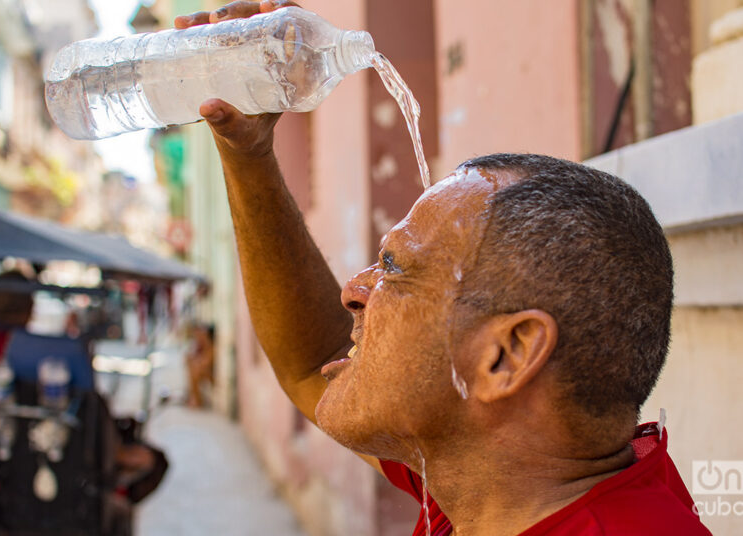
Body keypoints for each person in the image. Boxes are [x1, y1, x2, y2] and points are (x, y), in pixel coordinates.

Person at [176, 3, 712, 534]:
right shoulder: (485, 480)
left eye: (395, 269)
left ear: (508, 354)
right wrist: (247, 152)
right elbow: (312, 364)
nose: (354, 290)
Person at [186, 322, 215, 407]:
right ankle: (194, 398)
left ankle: (197, 400)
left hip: (211, 375)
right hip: (204, 372)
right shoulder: (202, 345)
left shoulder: (211, 347)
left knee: (195, 372)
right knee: (193, 369)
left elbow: (206, 363)